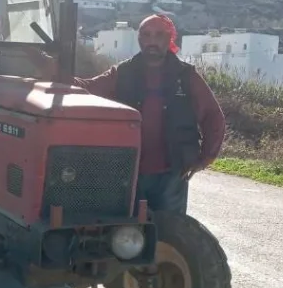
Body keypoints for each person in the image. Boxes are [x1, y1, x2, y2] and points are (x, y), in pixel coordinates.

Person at [46, 14, 226, 214]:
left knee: (171, 229)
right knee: (128, 229)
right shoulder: (122, 72)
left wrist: (205, 158)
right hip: (128, 173)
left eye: (158, 35)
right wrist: (55, 71)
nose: (152, 41)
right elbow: (89, 88)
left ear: (169, 39)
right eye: (146, 35)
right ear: (139, 39)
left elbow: (213, 116)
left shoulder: (186, 76)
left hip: (172, 175)